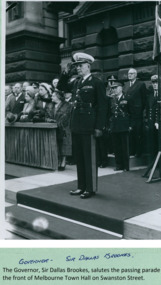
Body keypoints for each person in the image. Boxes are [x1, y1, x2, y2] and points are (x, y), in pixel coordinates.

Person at [70, 52, 108, 199]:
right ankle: (81, 186)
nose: (78, 68)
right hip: (77, 124)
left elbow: (103, 106)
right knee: (79, 157)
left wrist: (99, 126)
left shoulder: (96, 82)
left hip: (89, 125)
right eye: (76, 66)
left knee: (89, 157)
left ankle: (90, 188)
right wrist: (66, 73)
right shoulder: (76, 82)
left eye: (80, 66)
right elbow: (61, 86)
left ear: (88, 66)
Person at [45, 89, 72, 170]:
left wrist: (57, 123)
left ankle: (63, 161)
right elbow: (46, 116)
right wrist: (50, 121)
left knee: (64, 146)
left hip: (63, 129)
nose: (51, 97)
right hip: (53, 128)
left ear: (58, 97)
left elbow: (66, 117)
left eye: (53, 96)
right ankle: (57, 161)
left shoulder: (67, 105)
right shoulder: (50, 105)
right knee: (55, 145)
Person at [124, 68, 147, 157]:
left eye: (132, 73)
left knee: (138, 132)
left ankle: (138, 152)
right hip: (128, 112)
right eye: (129, 73)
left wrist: (141, 110)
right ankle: (131, 150)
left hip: (137, 113)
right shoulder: (126, 85)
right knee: (130, 132)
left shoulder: (141, 84)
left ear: (136, 75)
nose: (130, 75)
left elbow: (144, 99)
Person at [109, 80, 130, 171]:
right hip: (114, 125)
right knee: (116, 147)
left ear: (121, 88)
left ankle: (126, 166)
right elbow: (109, 113)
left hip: (124, 125)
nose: (114, 90)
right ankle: (119, 165)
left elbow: (131, 112)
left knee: (124, 147)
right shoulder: (111, 99)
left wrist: (130, 125)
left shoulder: (127, 98)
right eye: (113, 88)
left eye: (116, 88)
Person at [145, 75, 161, 164]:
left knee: (159, 143)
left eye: (157, 82)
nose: (155, 84)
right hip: (151, 122)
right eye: (153, 82)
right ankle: (152, 162)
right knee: (151, 143)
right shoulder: (149, 95)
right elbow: (147, 108)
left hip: (160, 123)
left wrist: (159, 121)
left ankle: (160, 163)